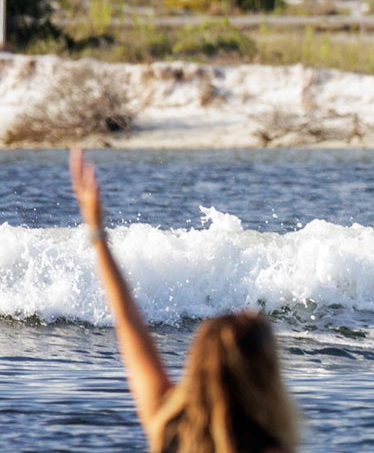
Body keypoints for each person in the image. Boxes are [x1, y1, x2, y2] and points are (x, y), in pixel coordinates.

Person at [69, 147, 300, 453]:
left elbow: (127, 324)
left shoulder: (167, 427)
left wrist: (97, 233)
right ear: (265, 374)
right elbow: (129, 325)